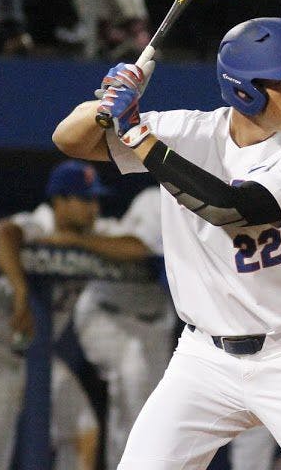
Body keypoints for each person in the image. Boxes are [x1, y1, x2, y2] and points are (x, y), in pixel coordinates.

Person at [52, 17, 281, 468]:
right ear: (243, 89)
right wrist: (106, 103)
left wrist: (138, 134)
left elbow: (228, 208)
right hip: (203, 361)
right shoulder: (188, 131)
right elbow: (69, 141)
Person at [0, 160, 145, 470]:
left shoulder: (93, 232)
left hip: (37, 354)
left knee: (84, 432)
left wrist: (79, 242)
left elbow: (138, 247)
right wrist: (21, 291)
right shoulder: (40, 223)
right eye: (84, 199)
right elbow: (1, 233)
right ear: (59, 201)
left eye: (95, 199)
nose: (93, 207)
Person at [72, 186, 175, 469]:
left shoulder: (219, 203)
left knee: (155, 413)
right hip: (108, 313)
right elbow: (137, 247)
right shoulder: (156, 199)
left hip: (155, 323)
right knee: (134, 384)